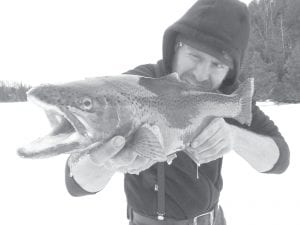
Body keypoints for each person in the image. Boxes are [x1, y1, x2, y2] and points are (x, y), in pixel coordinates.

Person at [65, 0, 290, 224]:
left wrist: (233, 136)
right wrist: (106, 162)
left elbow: (279, 159)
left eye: (217, 65)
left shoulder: (227, 97)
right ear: (176, 46)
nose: (202, 74)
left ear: (229, 71)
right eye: (196, 56)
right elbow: (76, 184)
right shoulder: (135, 86)